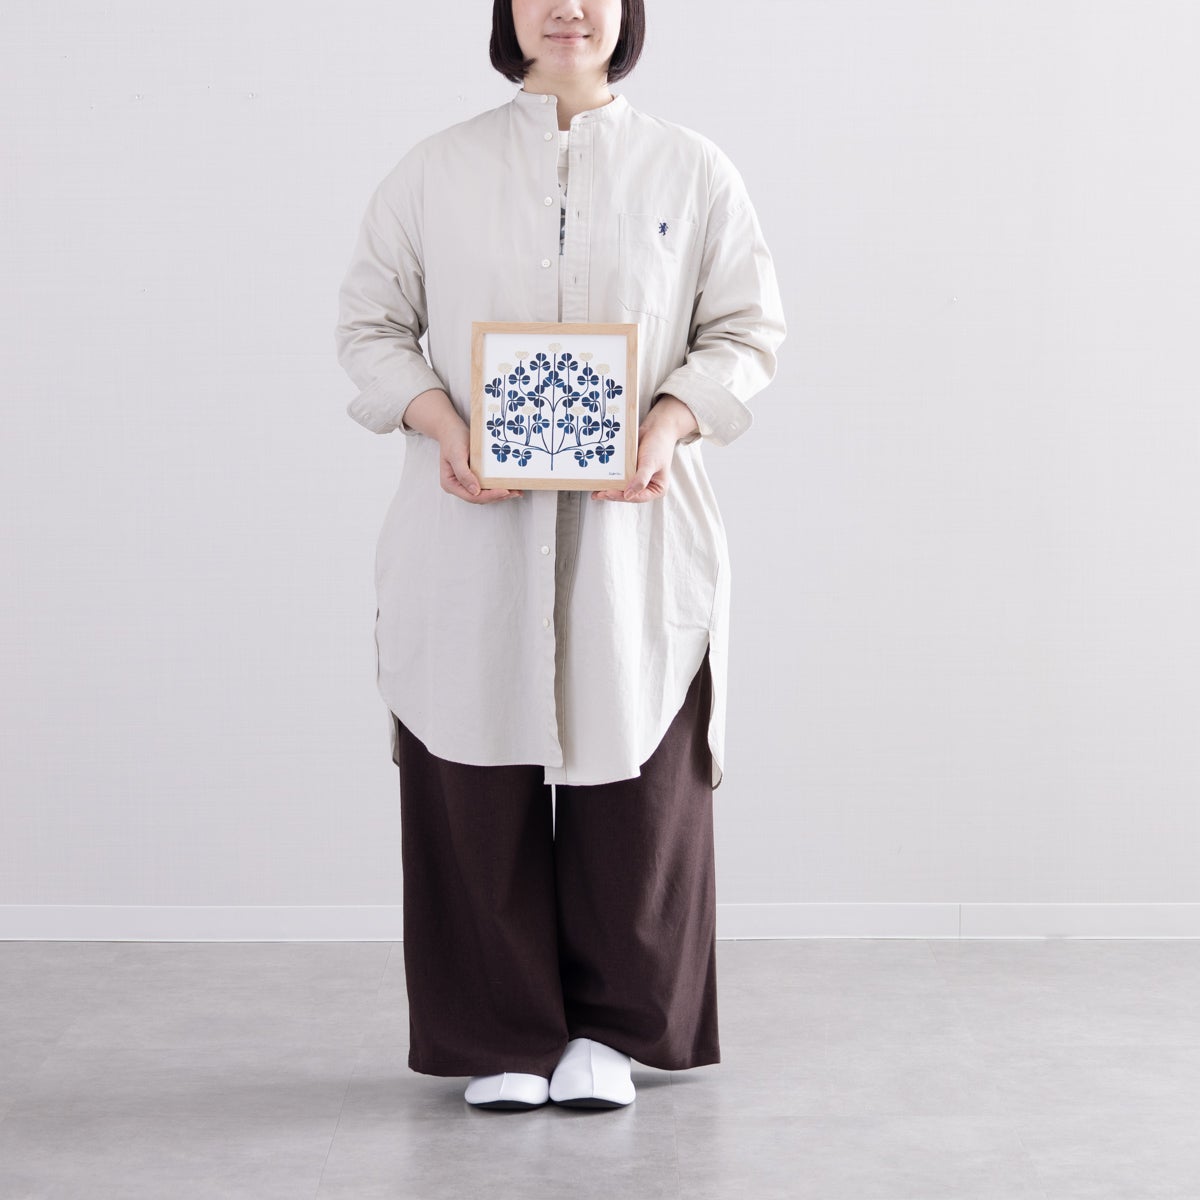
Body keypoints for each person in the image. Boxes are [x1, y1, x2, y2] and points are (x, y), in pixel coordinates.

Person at [333, 0, 785, 1111]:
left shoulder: (691, 169)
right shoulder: (435, 171)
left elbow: (745, 330)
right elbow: (371, 326)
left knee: (635, 770)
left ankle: (616, 1033)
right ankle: (500, 1032)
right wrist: (441, 422)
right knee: (470, 768)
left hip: (635, 523)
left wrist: (670, 422)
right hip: (472, 519)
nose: (569, 7)